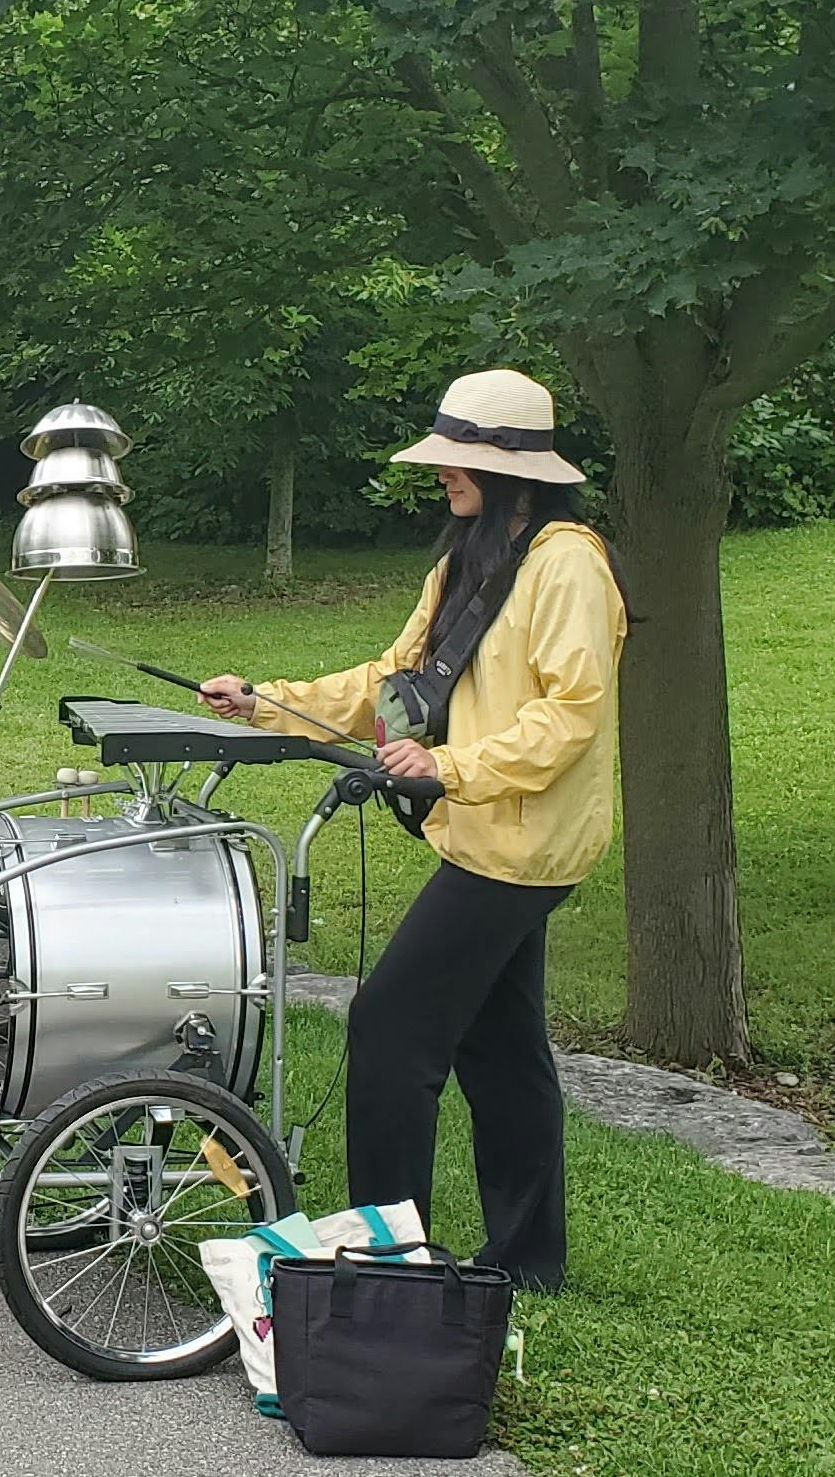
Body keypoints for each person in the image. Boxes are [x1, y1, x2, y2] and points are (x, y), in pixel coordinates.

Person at [201, 368, 624, 1291]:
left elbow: (571, 715)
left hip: (525, 844)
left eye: (460, 462)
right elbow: (393, 683)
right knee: (499, 1047)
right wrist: (265, 701)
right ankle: (528, 1261)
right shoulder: (466, 559)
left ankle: (384, 1259)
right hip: (481, 834)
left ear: (515, 468)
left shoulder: (568, 564)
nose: (444, 476)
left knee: (391, 1028)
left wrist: (451, 767)